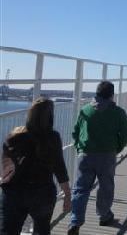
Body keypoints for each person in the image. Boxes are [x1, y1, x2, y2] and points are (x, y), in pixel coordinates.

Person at [1, 98, 71, 235]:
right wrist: (67, 195)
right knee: (42, 230)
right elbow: (60, 169)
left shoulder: (14, 136)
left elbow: (5, 170)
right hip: (43, 192)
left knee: (8, 231)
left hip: (15, 192)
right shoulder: (53, 138)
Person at [68, 81, 127, 235]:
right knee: (105, 186)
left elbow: (75, 131)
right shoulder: (118, 112)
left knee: (81, 188)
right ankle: (104, 216)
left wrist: (79, 147)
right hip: (107, 154)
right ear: (111, 94)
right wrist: (118, 148)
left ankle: (75, 221)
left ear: (96, 93)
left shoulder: (86, 110)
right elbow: (125, 134)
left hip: (86, 154)